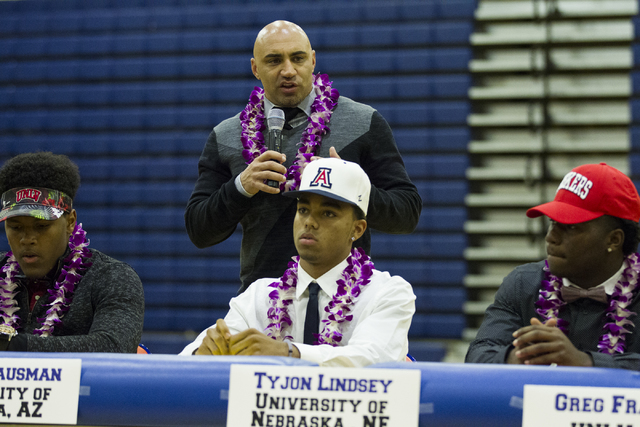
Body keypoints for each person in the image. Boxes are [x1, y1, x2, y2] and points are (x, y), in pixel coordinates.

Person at [185, 20, 422, 293]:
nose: (288, 70)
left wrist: (349, 184)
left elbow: (407, 213)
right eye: (274, 61)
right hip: (262, 301)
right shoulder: (226, 136)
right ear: (255, 69)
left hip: (345, 301)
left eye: (297, 58)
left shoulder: (363, 123)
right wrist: (241, 187)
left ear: (312, 60)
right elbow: (199, 230)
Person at [180, 158, 416, 367]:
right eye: (303, 210)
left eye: (328, 213)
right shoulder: (259, 295)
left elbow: (371, 360)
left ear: (357, 228)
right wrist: (203, 354)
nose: (309, 222)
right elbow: (184, 361)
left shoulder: (388, 293)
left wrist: (288, 353)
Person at [466, 163, 640, 370]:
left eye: (570, 227)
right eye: (552, 222)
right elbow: (478, 356)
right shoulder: (523, 284)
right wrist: (519, 356)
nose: (550, 237)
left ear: (613, 240)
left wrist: (585, 362)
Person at [0, 152, 144, 352]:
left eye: (41, 227)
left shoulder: (111, 277)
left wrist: (15, 345)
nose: (27, 239)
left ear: (70, 222)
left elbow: (114, 346)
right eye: (15, 228)